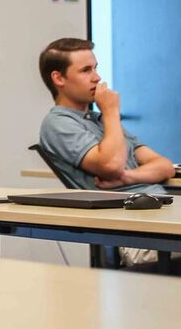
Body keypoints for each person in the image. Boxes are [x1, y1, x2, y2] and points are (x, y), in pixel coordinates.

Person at [38, 37, 174, 265]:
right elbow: (111, 165)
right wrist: (111, 111)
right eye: (85, 70)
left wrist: (129, 176)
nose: (97, 77)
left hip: (161, 214)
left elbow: (164, 166)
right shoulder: (58, 123)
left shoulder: (98, 120)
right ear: (58, 78)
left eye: (96, 68)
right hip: (136, 230)